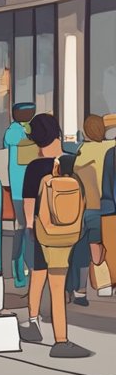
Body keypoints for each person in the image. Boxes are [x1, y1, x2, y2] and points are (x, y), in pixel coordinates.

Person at [17, 114, 92, 358]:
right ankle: (60, 341)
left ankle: (33, 323)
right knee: (57, 284)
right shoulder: (72, 162)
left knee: (38, 274)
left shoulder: (34, 168)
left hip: (41, 229)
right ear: (57, 134)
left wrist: (30, 227)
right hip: (65, 231)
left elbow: (29, 204)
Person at [68, 115, 114, 306]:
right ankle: (104, 283)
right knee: (103, 246)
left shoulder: (80, 151)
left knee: (79, 250)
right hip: (105, 206)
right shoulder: (108, 149)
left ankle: (80, 291)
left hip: (82, 205)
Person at [4, 103, 36, 288]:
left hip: (24, 189)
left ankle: (24, 270)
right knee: (25, 229)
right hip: (23, 189)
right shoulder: (15, 132)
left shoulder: (18, 131)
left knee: (25, 229)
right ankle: (21, 270)